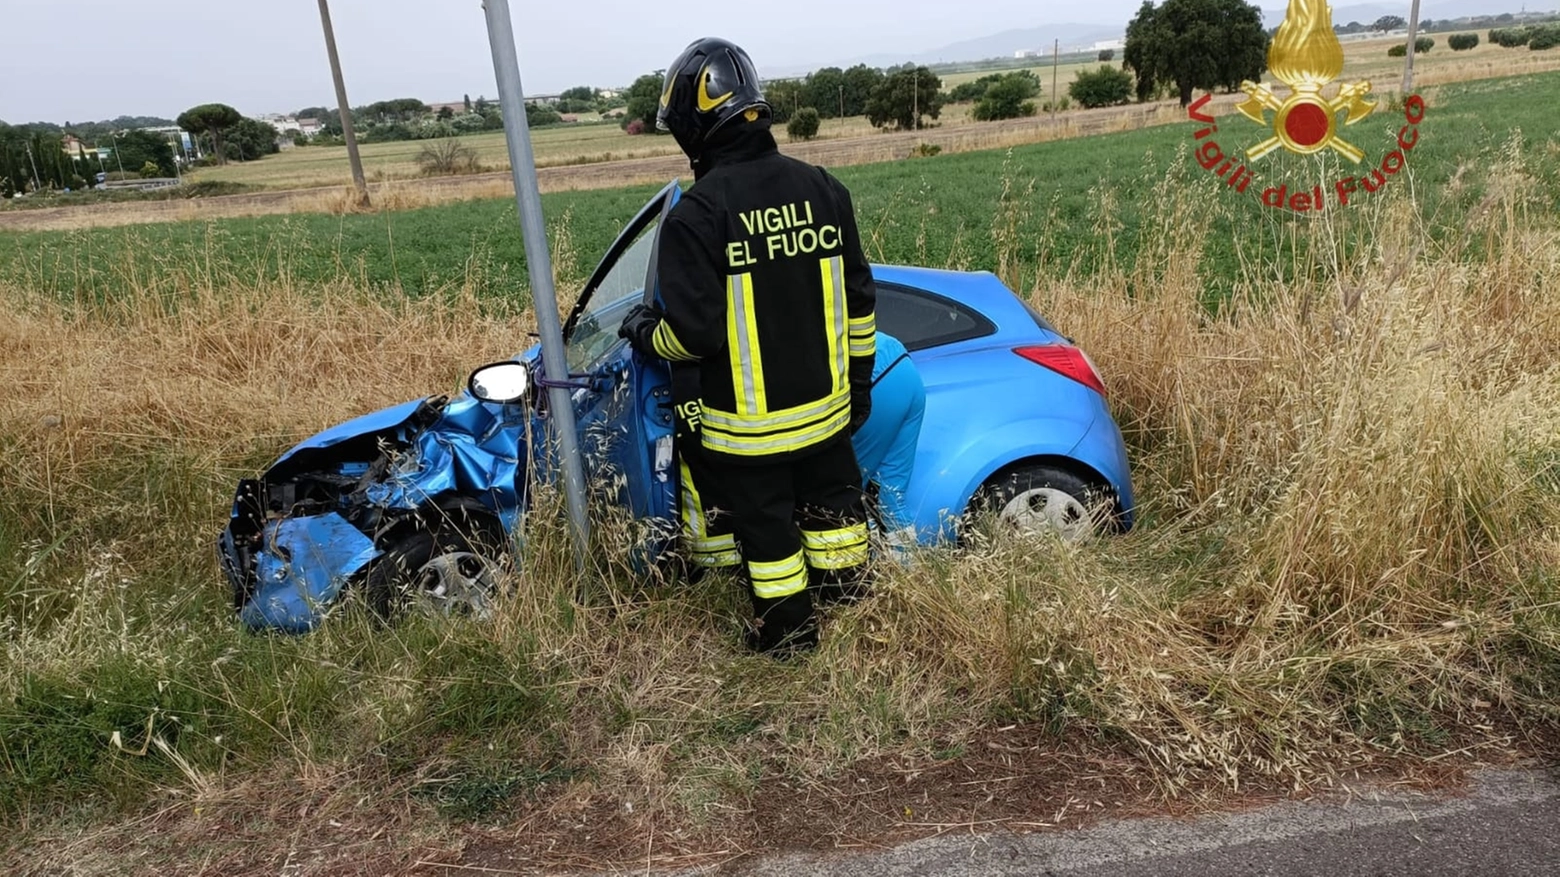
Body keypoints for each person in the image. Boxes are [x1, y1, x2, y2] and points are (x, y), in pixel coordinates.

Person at [619, 36, 877, 656]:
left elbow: (691, 335)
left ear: (694, 124)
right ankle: (850, 606)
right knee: (836, 512)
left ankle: (790, 637)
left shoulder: (697, 216)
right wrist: (859, 386)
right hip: (829, 410)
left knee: (768, 536)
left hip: (751, 429)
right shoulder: (824, 189)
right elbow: (861, 303)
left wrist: (643, 332)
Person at [850, 332, 925, 557]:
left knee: (848, 491)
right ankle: (907, 574)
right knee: (890, 494)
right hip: (902, 365)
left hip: (874, 378)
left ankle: (866, 572)